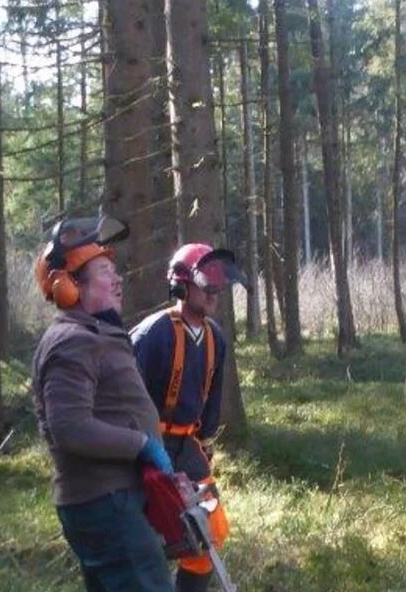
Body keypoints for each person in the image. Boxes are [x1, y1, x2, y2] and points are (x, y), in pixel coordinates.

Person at [31, 218, 176, 592]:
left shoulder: (94, 334)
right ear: (69, 287)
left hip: (114, 498)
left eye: (115, 271)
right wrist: (142, 446)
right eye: (104, 272)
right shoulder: (73, 341)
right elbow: (71, 428)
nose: (118, 280)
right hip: (105, 502)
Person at [131, 243, 244, 592]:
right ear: (182, 284)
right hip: (147, 447)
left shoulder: (216, 338)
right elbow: (127, 401)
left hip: (188, 447)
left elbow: (210, 405)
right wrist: (141, 454)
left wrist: (204, 449)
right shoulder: (151, 335)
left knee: (211, 529)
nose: (215, 291)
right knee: (147, 537)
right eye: (206, 281)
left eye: (218, 282)